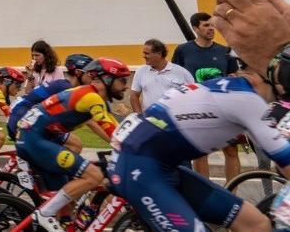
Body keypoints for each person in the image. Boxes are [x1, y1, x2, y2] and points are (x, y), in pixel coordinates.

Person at [108, 59, 290, 232]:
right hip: (139, 169)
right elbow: (285, 162)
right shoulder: (249, 100)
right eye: (276, 97)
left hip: (163, 168)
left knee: (256, 224)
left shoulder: (235, 88)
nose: (274, 103)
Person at [16, 58, 129, 232]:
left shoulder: (91, 95)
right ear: (107, 79)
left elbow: (119, 129)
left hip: (37, 138)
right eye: (122, 80)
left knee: (66, 202)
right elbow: (115, 134)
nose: (126, 86)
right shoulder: (92, 98)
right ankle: (45, 214)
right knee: (94, 176)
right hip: (35, 141)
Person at [173, 12, 241, 180]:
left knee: (231, 150)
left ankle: (232, 193)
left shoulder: (225, 51)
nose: (211, 28)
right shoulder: (183, 50)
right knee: (200, 152)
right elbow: (175, 75)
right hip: (194, 107)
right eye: (206, 25)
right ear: (196, 28)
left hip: (223, 107)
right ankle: (207, 191)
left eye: (212, 25)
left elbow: (234, 76)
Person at [6, 53, 92, 153]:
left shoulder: (62, 83)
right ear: (78, 73)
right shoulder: (68, 89)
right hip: (23, 116)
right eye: (90, 74)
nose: (93, 79)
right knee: (75, 144)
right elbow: (91, 122)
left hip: (20, 114)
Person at [130, 38, 194, 113]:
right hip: (150, 120)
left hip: (175, 120)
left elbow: (193, 95)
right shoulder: (140, 71)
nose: (143, 56)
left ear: (159, 54)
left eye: (147, 53)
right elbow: (134, 96)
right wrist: (139, 116)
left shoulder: (182, 72)